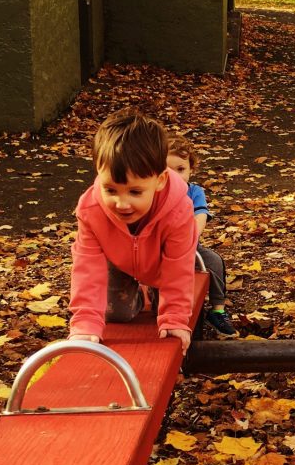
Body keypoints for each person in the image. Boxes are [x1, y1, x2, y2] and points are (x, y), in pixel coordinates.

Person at [68, 108, 198, 352]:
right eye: (111, 190)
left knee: (164, 313)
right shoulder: (91, 210)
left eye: (135, 192)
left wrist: (174, 317)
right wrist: (85, 322)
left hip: (161, 264)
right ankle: (138, 294)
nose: (122, 204)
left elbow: (178, 265)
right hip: (118, 262)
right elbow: (87, 267)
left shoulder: (179, 209)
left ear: (159, 181)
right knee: (118, 314)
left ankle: (153, 292)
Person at [166, 134, 237, 337]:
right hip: (161, 250)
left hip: (189, 248)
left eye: (181, 169)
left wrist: (190, 237)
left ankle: (217, 310)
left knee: (214, 261)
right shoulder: (155, 192)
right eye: (167, 171)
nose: (175, 176)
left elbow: (201, 214)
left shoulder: (194, 192)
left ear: (191, 169)